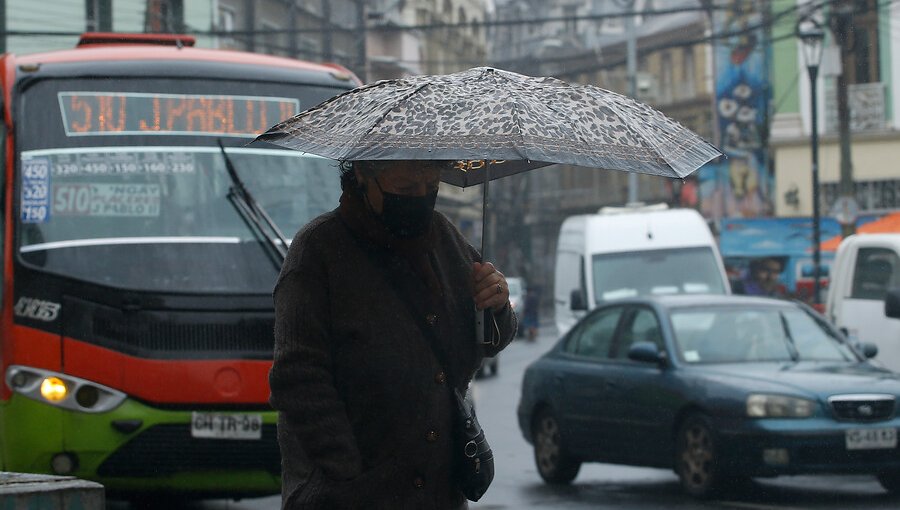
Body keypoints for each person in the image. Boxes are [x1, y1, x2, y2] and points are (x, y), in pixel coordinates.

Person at [269, 159, 517, 509]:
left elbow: (485, 344)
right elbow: (298, 378)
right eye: (405, 189)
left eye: (430, 188)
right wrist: (348, 474)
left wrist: (495, 306)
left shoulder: (446, 242)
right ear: (362, 176)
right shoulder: (319, 251)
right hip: (347, 498)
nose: (419, 198)